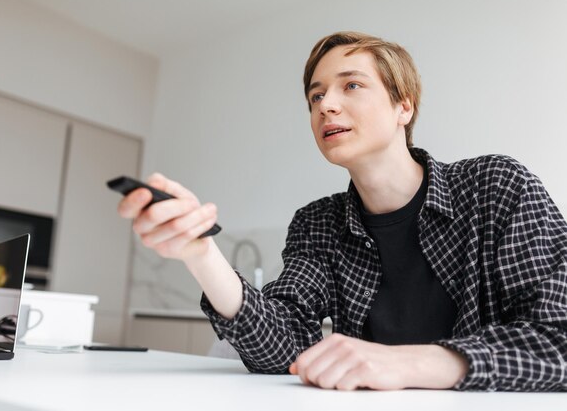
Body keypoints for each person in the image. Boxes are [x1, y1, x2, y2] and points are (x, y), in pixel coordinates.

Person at [117, 31, 567, 391]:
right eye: (315, 96)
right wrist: (201, 253)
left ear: (403, 106)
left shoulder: (497, 188)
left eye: (351, 85)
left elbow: (558, 340)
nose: (325, 105)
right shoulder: (318, 224)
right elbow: (280, 346)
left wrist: (411, 362)